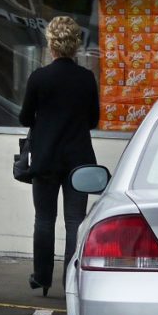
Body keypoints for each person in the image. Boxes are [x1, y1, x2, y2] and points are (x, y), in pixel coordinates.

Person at [19, 15, 100, 295]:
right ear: (75, 44)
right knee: (75, 222)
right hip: (78, 160)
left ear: (51, 44)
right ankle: (71, 280)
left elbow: (24, 117)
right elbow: (93, 120)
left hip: (45, 158)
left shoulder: (39, 78)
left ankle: (41, 277)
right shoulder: (87, 79)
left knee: (44, 219)